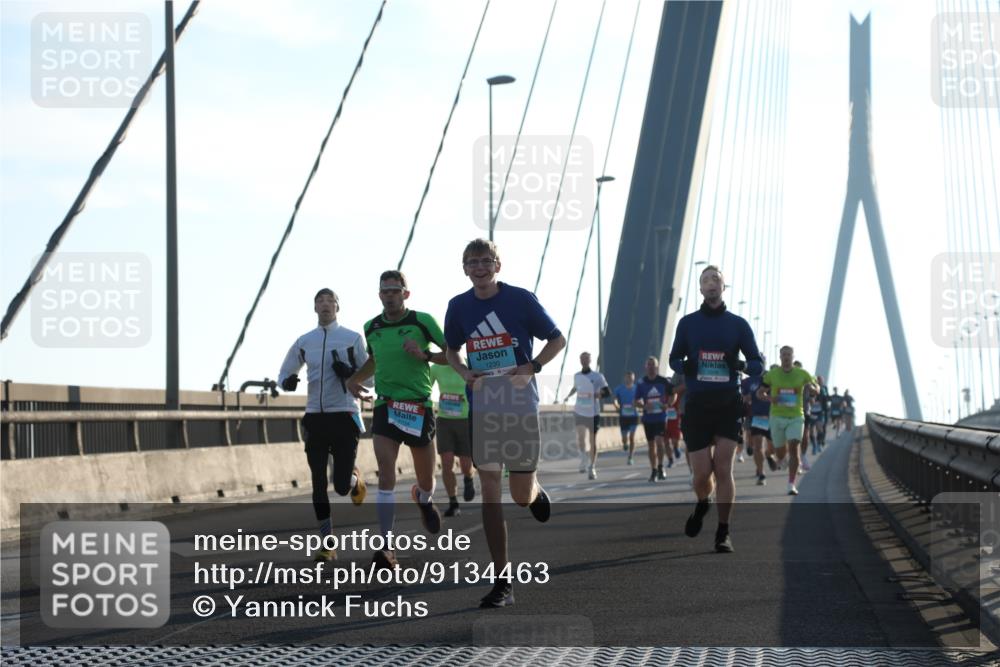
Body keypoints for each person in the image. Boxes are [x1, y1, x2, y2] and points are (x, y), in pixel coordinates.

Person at [443, 238, 566, 608]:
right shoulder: (458, 306)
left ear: (497, 265)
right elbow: (451, 349)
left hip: (520, 406)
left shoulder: (520, 299)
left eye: (486, 261)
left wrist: (532, 367)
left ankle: (535, 491)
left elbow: (557, 339)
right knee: (490, 490)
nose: (479, 268)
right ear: (464, 269)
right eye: (472, 262)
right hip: (483, 408)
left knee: (520, 495)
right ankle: (503, 581)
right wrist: (463, 371)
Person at [346, 271, 449, 570]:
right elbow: (374, 360)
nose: (389, 295)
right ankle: (386, 547)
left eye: (395, 290)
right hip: (386, 405)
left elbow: (452, 355)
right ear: (379, 295)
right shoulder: (372, 327)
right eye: (385, 291)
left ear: (406, 294)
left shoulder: (422, 321)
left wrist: (425, 355)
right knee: (386, 474)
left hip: (418, 406)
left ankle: (423, 499)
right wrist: (354, 380)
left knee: (426, 480)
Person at [669, 265, 763, 553]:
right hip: (697, 406)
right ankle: (702, 502)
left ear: (723, 287)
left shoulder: (738, 325)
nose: (711, 283)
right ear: (700, 288)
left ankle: (723, 532)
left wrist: (742, 365)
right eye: (706, 280)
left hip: (727, 404)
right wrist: (686, 366)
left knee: (723, 468)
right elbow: (673, 359)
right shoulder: (687, 323)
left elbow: (757, 364)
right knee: (701, 475)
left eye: (716, 280)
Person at [278, 288, 368, 563]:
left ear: (338, 307)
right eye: (320, 301)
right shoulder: (305, 341)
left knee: (340, 486)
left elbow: (371, 378)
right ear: (315, 308)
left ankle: (354, 480)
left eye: (331, 301)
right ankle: (327, 543)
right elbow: (284, 373)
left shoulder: (352, 338)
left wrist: (351, 373)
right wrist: (287, 382)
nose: (326, 305)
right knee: (318, 481)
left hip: (344, 415)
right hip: (315, 417)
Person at [755, 346, 818, 496]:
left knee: (794, 447)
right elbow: (759, 393)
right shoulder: (772, 374)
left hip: (796, 416)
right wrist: (770, 398)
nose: (786, 357)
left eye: (789, 354)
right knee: (780, 453)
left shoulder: (802, 373)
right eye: (783, 354)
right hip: (777, 416)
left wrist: (814, 389)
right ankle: (781, 459)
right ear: (780, 357)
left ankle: (791, 484)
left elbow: (816, 387)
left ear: (793, 356)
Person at [430, 360, 476, 517]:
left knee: (465, 465)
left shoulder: (467, 365)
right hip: (444, 420)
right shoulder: (436, 367)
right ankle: (453, 503)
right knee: (447, 462)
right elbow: (425, 388)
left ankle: (469, 478)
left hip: (465, 419)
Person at [563, 352, 610, 479]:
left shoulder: (598, 376)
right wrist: (568, 396)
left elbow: (607, 392)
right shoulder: (577, 376)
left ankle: (592, 467)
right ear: (580, 360)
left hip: (593, 412)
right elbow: (575, 388)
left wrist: (598, 395)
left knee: (592, 440)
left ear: (590, 360)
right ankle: (584, 458)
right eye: (582, 358)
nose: (584, 361)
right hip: (579, 411)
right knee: (580, 437)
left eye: (586, 359)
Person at [635, 356, 674, 482]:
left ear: (657, 367)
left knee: (659, 442)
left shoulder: (664, 381)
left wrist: (667, 404)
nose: (651, 367)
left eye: (653, 365)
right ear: (646, 367)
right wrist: (643, 406)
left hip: (661, 417)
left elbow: (673, 394)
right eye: (649, 365)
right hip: (648, 418)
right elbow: (635, 401)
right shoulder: (641, 383)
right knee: (651, 446)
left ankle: (661, 466)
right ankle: (654, 470)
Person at [740, 363, 774, 486]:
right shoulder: (746, 382)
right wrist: (746, 398)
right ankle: (761, 474)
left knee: (773, 447)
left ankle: (768, 455)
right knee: (757, 446)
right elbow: (743, 397)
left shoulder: (770, 378)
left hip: (772, 417)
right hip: (757, 416)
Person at [613, 371, 639, 465]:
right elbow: (615, 399)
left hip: (634, 416)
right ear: (625, 378)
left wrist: (639, 403)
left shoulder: (637, 388)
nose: (629, 379)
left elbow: (641, 399)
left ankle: (630, 457)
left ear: (633, 378)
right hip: (623, 416)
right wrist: (616, 405)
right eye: (628, 378)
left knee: (632, 437)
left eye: (631, 378)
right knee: (624, 438)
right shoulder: (619, 389)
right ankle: (624, 443)